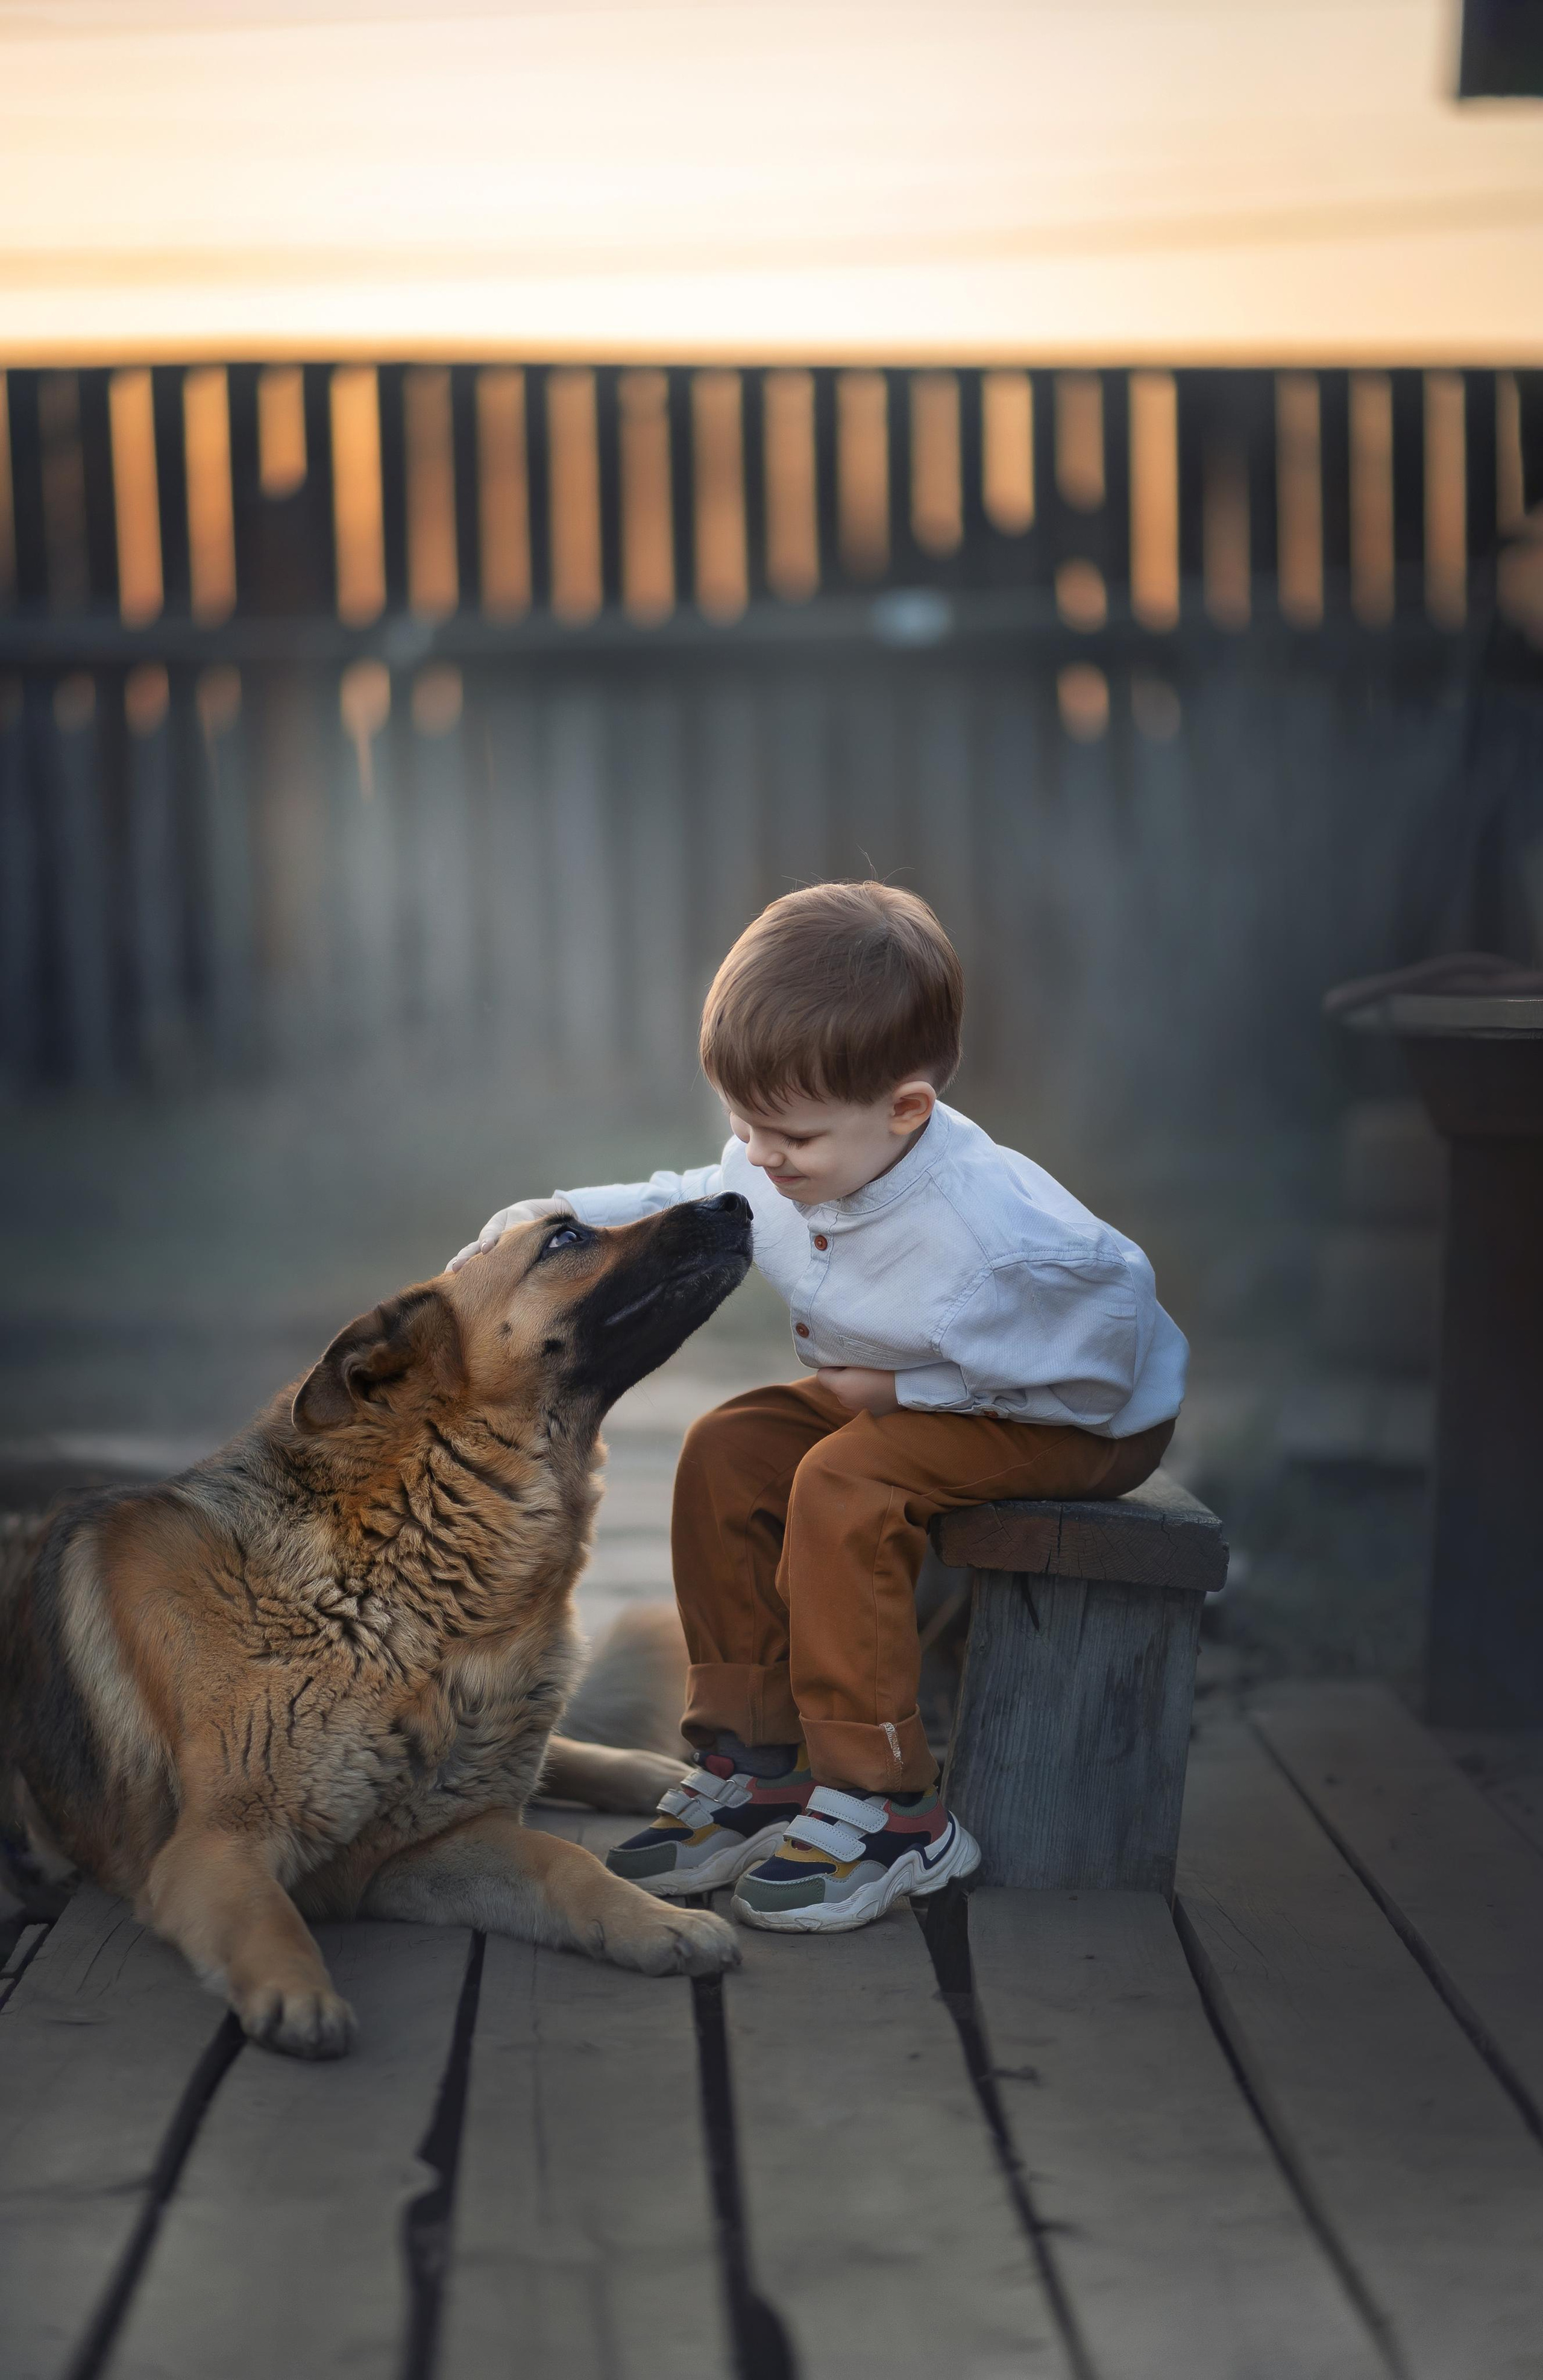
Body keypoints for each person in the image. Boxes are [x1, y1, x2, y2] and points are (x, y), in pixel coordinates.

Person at [448, 881, 1187, 1935]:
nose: (759, 1155)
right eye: (743, 1124)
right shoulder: (791, 1160)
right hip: (908, 1395)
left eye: (787, 1134)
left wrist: (906, 1393)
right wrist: (560, 1217)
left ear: (907, 1112)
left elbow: (1105, 1365)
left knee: (843, 1485)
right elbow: (687, 1191)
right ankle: (754, 1762)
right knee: (729, 1446)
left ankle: (889, 1807)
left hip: (1065, 1419)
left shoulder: (1000, 1238)